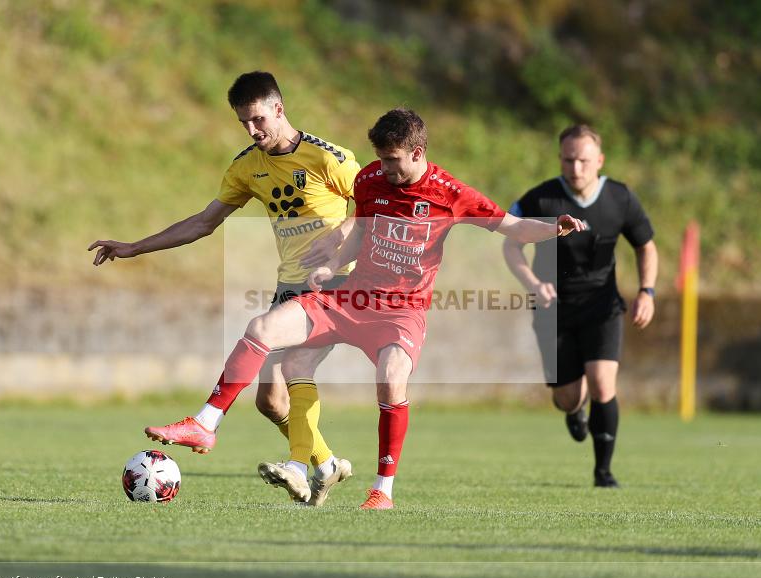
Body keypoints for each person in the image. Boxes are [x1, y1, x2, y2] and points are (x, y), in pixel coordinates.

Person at [210, 108, 584, 509]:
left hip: (403, 310)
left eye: (393, 159)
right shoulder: (369, 179)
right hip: (353, 297)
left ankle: (381, 491)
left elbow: (512, 226)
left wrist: (552, 228)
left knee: (391, 379)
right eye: (381, 157)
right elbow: (360, 229)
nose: (384, 167)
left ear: (418, 153)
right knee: (285, 356)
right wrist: (333, 265)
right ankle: (294, 461)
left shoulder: (449, 193)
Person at [87, 71, 359, 503]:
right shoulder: (247, 166)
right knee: (270, 402)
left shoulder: (330, 158)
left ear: (279, 108)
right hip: (290, 286)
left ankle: (215, 427)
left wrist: (339, 237)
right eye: (244, 124)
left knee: (285, 358)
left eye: (258, 120)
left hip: (338, 284)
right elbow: (202, 223)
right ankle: (325, 465)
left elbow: (376, 206)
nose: (253, 131)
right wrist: (135, 247)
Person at [502, 124, 658, 488]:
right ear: (560, 159)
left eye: (584, 160)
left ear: (599, 160)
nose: (576, 168)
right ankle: (575, 409)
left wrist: (647, 291)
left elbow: (645, 246)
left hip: (603, 307)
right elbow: (511, 245)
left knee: (604, 384)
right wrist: (534, 284)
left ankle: (603, 472)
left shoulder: (620, 198)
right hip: (553, 309)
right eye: (569, 160)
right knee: (567, 397)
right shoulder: (540, 200)